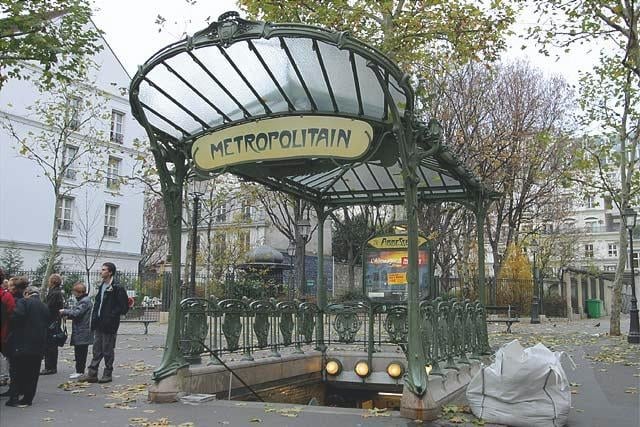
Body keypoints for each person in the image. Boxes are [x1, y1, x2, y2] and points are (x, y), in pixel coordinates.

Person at [79, 262, 128, 383]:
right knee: (97, 348)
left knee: (107, 349)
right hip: (99, 322)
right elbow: (98, 304)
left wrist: (111, 316)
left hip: (109, 324)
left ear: (110, 272)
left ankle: (108, 373)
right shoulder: (102, 286)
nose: (101, 272)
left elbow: (123, 307)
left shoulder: (117, 288)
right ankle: (92, 373)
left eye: (104, 270)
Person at [5, 283, 49, 407]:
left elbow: (17, 317)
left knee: (16, 371)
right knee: (33, 373)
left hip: (22, 343)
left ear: (26, 293)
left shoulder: (23, 302)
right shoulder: (44, 306)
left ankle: (13, 398)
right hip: (38, 345)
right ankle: (28, 398)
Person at [59, 283, 93, 379]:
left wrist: (64, 311)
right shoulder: (85, 300)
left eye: (74, 292)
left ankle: (79, 371)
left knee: (80, 352)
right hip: (82, 330)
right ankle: (79, 370)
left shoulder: (84, 301)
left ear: (78, 292)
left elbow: (77, 313)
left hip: (82, 330)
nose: (74, 294)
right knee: (80, 351)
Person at [0, 277, 22, 398]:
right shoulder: (7, 296)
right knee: (7, 359)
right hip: (4, 333)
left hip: (5, 333)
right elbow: (13, 314)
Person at [41, 274, 64, 375]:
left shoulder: (54, 293)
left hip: (51, 321)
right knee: (52, 345)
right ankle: (51, 366)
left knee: (50, 344)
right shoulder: (57, 292)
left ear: (52, 282)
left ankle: (49, 367)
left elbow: (48, 307)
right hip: (55, 320)